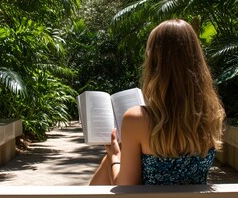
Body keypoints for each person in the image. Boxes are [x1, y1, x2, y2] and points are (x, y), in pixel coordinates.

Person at [89, 19, 225, 185]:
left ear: (154, 63)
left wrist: (114, 157)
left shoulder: (137, 119)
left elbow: (125, 191)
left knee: (109, 160)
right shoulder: (211, 115)